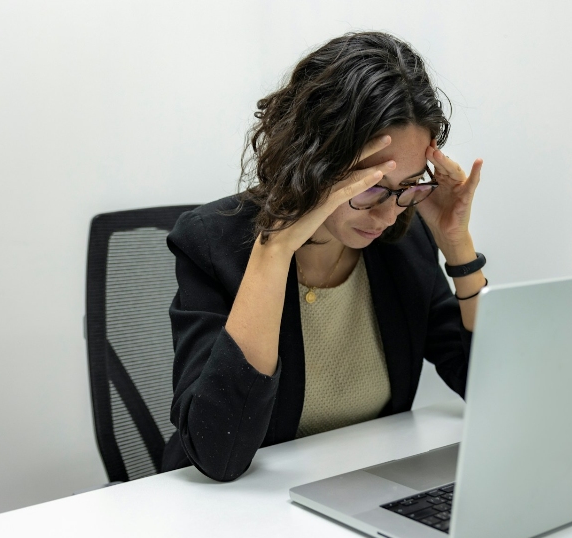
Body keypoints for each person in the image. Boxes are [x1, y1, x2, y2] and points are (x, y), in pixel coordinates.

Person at [161, 31, 487, 481]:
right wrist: (275, 250)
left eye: (409, 186)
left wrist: (457, 247)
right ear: (312, 160)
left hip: (360, 490)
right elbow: (219, 454)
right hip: (236, 508)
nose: (387, 214)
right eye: (370, 186)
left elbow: (494, 391)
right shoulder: (213, 243)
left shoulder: (402, 243)